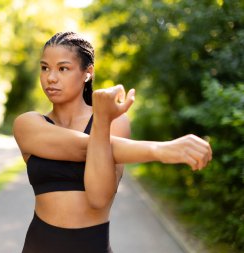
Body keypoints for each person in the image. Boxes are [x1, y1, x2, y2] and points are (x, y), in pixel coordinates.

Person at [13, 31, 212, 253]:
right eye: (44, 68)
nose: (50, 77)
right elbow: (81, 147)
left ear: (87, 73)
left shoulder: (114, 121)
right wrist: (160, 149)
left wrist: (101, 120)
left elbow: (99, 198)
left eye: (63, 68)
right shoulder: (27, 124)